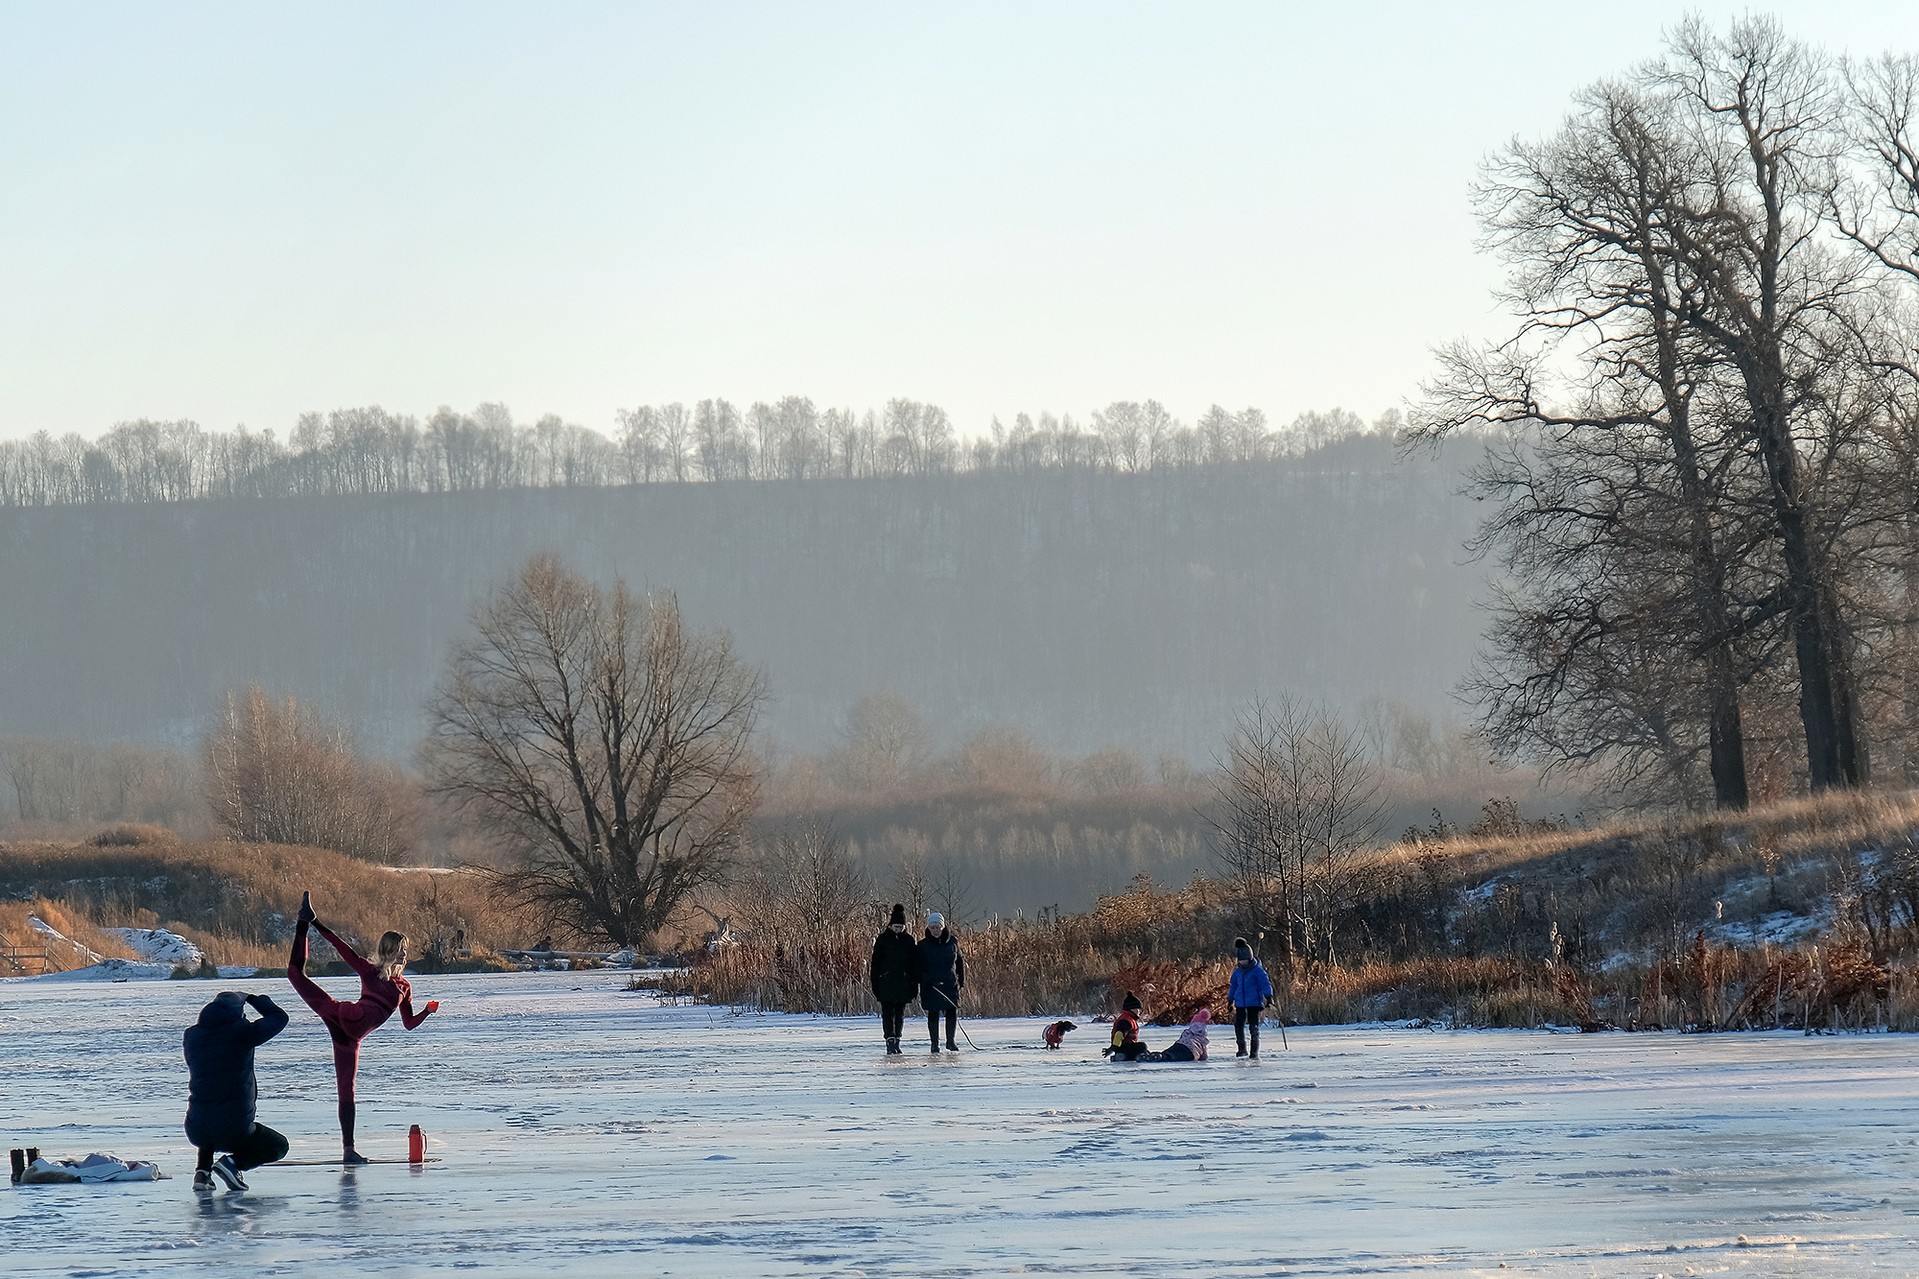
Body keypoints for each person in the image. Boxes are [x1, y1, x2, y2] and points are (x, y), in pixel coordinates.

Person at [288, 891, 439, 1162]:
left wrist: (426, 1012)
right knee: (294, 973)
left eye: (406, 950)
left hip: (350, 1040)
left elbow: (408, 1024)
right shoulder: (369, 971)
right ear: (389, 951)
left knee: (347, 1090)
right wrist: (316, 924)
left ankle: (349, 1150)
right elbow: (342, 947)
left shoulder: (405, 987)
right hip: (337, 1014)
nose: (405, 955)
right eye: (400, 950)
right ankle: (303, 921)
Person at [183, 990, 290, 1192]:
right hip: (235, 1128)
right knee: (278, 1145)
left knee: (210, 1114)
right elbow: (279, 1018)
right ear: (237, 1014)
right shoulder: (242, 1033)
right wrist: (255, 999)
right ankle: (233, 1164)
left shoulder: (192, 1036)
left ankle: (202, 1173)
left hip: (195, 1128)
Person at [870, 903, 918, 1055]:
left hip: (903, 983)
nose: (898, 929)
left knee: (900, 1013)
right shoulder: (882, 940)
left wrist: (913, 984)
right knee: (887, 1013)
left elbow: (913, 964)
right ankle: (889, 1039)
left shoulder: (909, 941)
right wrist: (875, 983)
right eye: (896, 926)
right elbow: (875, 963)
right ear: (891, 925)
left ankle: (897, 1038)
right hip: (886, 983)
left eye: (901, 927)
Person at [917, 911, 965, 1053]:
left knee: (951, 1012)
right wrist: (925, 979)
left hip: (950, 983)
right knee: (933, 1014)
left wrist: (961, 981)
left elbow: (960, 963)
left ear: (942, 927)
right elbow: (917, 966)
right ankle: (934, 1043)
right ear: (928, 928)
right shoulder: (922, 945)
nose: (935, 931)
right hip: (931, 985)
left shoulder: (953, 942)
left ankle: (950, 1041)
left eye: (937, 927)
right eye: (932, 928)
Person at [1229, 936, 1273, 1059]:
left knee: (1253, 1027)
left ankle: (1254, 1052)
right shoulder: (1237, 972)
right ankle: (1241, 1049)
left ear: (1250, 958)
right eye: (1240, 960)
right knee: (1238, 1025)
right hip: (1240, 1003)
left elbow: (1265, 983)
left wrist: (1268, 997)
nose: (1242, 962)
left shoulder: (1257, 971)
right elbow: (1233, 987)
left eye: (1245, 960)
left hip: (1254, 1003)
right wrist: (1230, 1000)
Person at [1104, 991, 1151, 1061]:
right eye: (1138, 1009)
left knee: (1142, 1048)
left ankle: (1125, 1055)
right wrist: (1114, 1048)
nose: (1139, 1012)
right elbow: (1119, 1034)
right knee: (1142, 1046)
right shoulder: (1126, 1020)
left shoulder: (1129, 1019)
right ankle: (1124, 1056)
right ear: (1132, 1009)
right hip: (1124, 1048)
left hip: (1125, 1047)